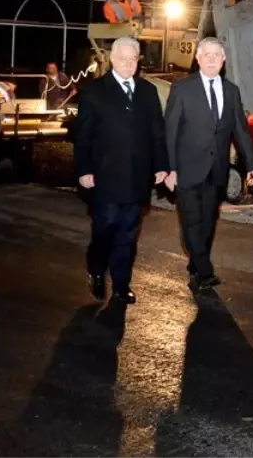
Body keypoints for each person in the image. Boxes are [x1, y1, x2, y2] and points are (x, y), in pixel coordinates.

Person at [74, 36, 168, 304]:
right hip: (104, 176)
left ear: (138, 61)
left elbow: (157, 133)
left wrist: (162, 165)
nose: (128, 64)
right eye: (122, 59)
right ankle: (96, 268)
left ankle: (121, 284)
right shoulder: (94, 92)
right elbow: (83, 136)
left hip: (137, 177)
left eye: (132, 60)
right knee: (105, 228)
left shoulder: (148, 92)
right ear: (112, 59)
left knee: (128, 233)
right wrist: (84, 169)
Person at [164, 37, 253, 290]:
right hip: (186, 168)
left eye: (217, 55)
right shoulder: (182, 89)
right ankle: (205, 271)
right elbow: (170, 131)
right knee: (193, 220)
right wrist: (169, 169)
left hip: (217, 170)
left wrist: (252, 164)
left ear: (224, 60)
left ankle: (196, 258)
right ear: (198, 58)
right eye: (207, 54)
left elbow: (241, 129)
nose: (212, 59)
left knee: (207, 221)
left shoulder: (231, 91)